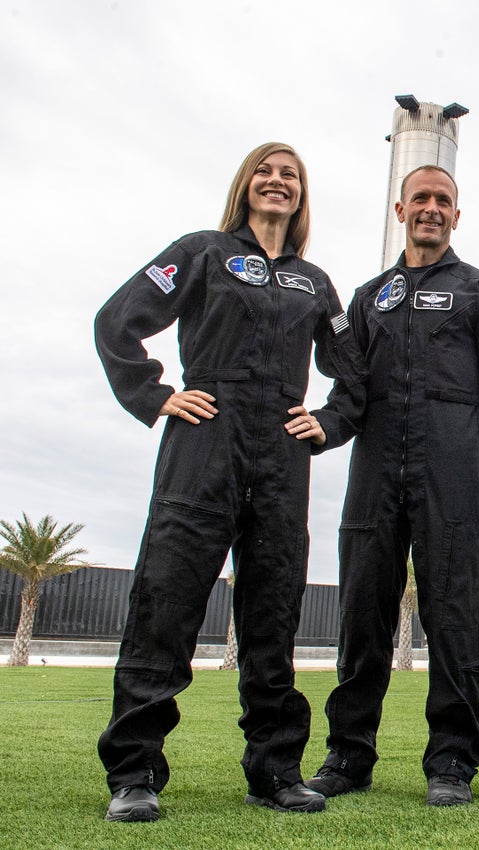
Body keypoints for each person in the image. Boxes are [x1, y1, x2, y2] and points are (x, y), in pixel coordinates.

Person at [95, 142, 365, 821]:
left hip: (280, 455)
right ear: (245, 186)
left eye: (290, 176)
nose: (277, 183)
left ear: (302, 196)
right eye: (265, 173)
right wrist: (156, 395)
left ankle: (275, 771)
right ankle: (134, 773)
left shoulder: (315, 283)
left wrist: (327, 422)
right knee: (167, 608)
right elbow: (117, 323)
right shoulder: (201, 253)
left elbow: (355, 374)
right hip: (204, 441)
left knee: (273, 617)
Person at [305, 165, 479, 807]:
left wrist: (462, 443)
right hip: (373, 473)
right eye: (420, 198)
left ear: (458, 216)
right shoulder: (369, 298)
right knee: (361, 613)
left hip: (451, 473)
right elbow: (349, 390)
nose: (431, 208)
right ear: (400, 209)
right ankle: (348, 756)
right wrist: (319, 427)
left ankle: (451, 762)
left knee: (452, 615)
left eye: (443, 201)